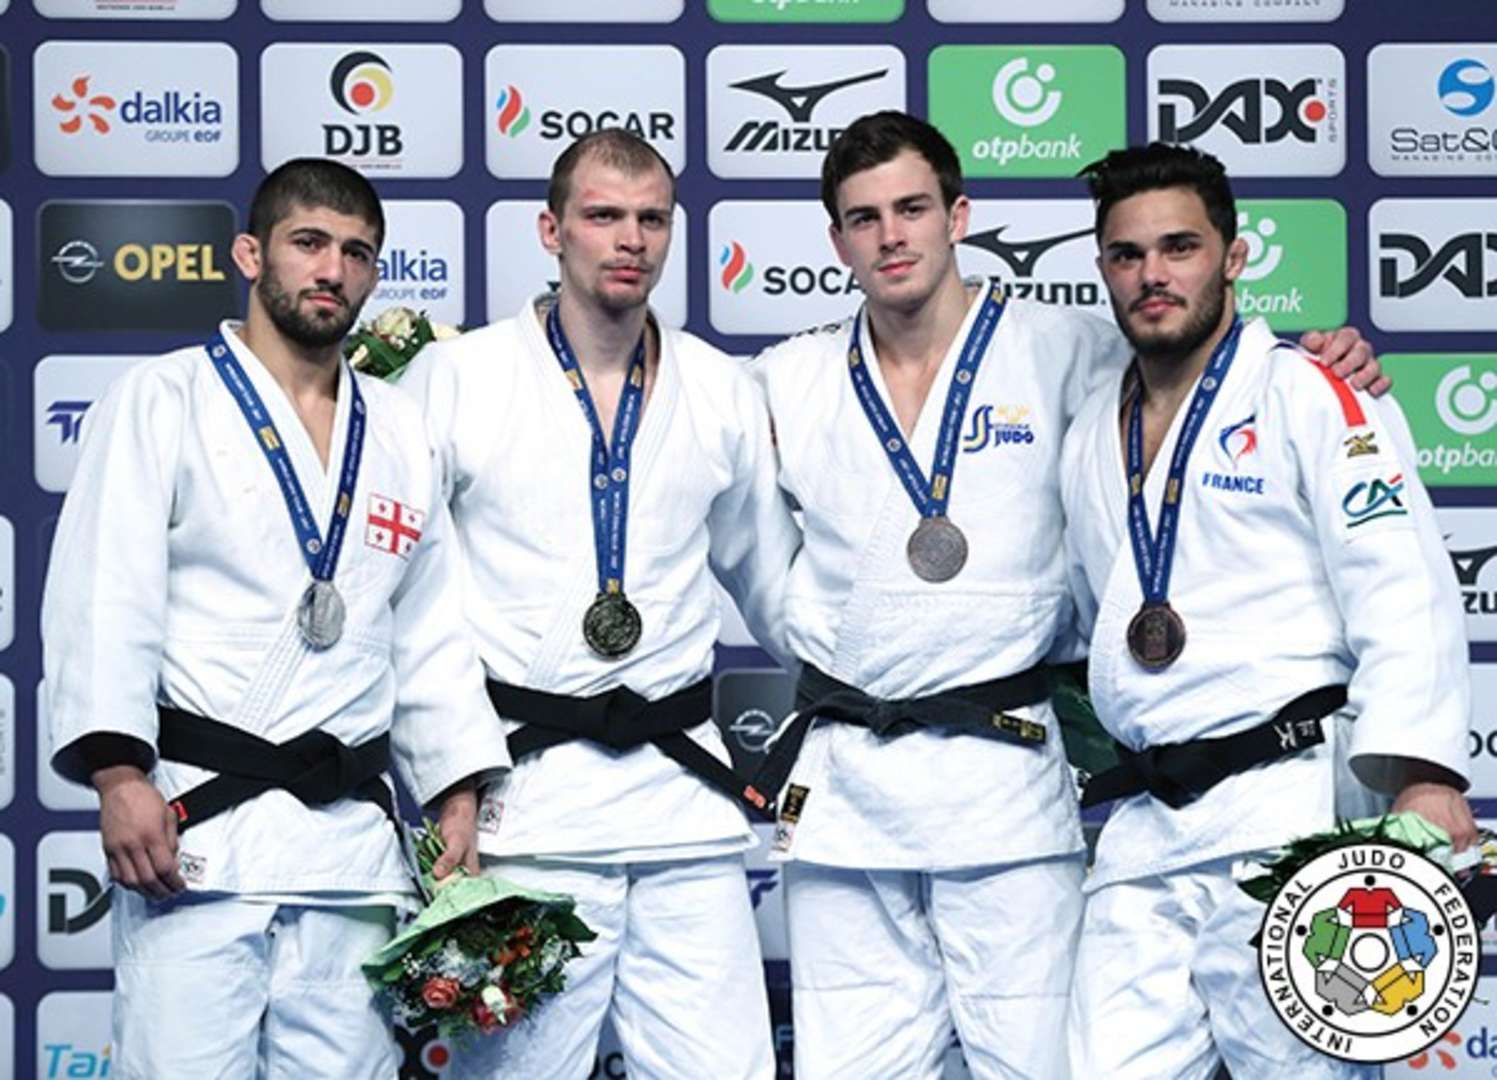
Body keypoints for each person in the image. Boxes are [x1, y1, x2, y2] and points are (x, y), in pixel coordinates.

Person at [748, 111, 1386, 1079]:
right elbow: (745, 549)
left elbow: (1204, 375)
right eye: (864, 218)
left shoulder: (1073, 351)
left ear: (959, 216)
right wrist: (824, 646)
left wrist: (1323, 362)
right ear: (836, 241)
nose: (892, 236)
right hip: (847, 787)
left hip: (1005, 782)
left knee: (1043, 1064)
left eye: (913, 208)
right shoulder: (783, 378)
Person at [41, 158, 510, 1079]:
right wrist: (119, 775)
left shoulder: (400, 429)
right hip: (198, 832)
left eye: (356, 253)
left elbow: (427, 631)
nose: (332, 270)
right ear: (251, 255)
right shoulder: (163, 398)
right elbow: (104, 596)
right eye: (309, 243)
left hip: (348, 851)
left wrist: (455, 787)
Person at [1059, 142, 1474, 1079]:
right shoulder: (1089, 432)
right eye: (1127, 254)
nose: (1152, 274)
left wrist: (1423, 775)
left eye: (1179, 247)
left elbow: (1399, 583)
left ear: (1233, 257)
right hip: (1147, 825)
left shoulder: (1309, 389)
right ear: (1103, 269)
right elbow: (1095, 620)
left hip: (1289, 812)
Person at [398, 129, 800, 1079]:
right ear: (552, 230)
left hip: (681, 810)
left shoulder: (719, 387)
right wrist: (448, 780)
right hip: (525, 810)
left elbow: (774, 582)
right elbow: (409, 603)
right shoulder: (456, 380)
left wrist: (889, 691)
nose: (630, 240)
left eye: (651, 219)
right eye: (603, 216)